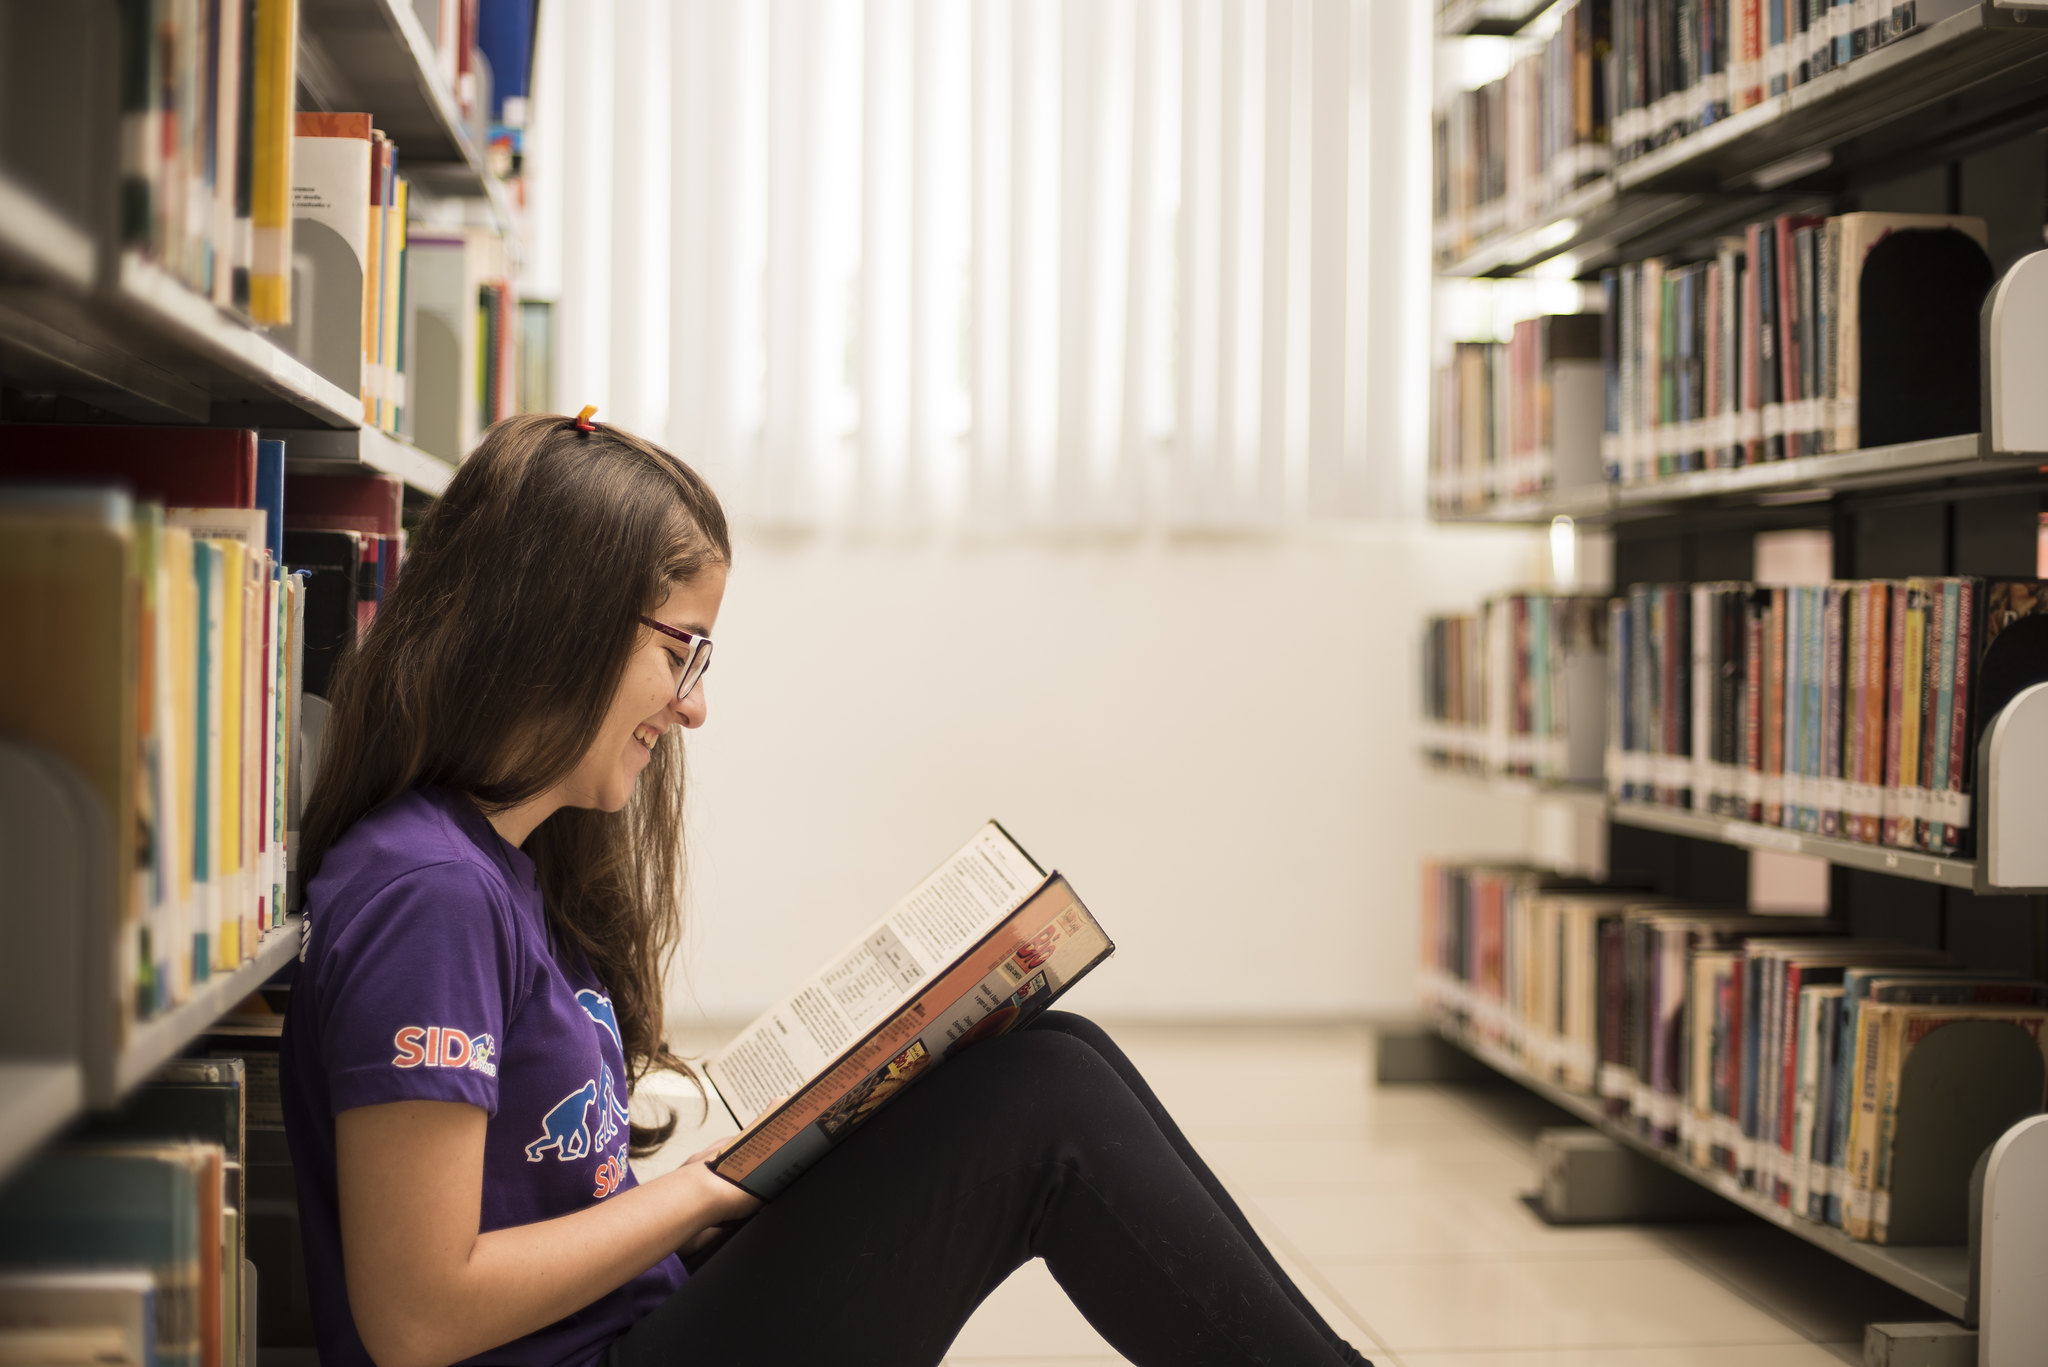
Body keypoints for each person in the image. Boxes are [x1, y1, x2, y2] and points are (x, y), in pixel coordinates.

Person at [279, 412, 1373, 1367]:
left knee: (1057, 1050)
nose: (693, 706)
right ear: (562, 623)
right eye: (682, 651)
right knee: (1047, 1101)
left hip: (629, 1323)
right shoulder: (431, 893)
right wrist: (701, 1190)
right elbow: (417, 1317)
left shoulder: (495, 867)